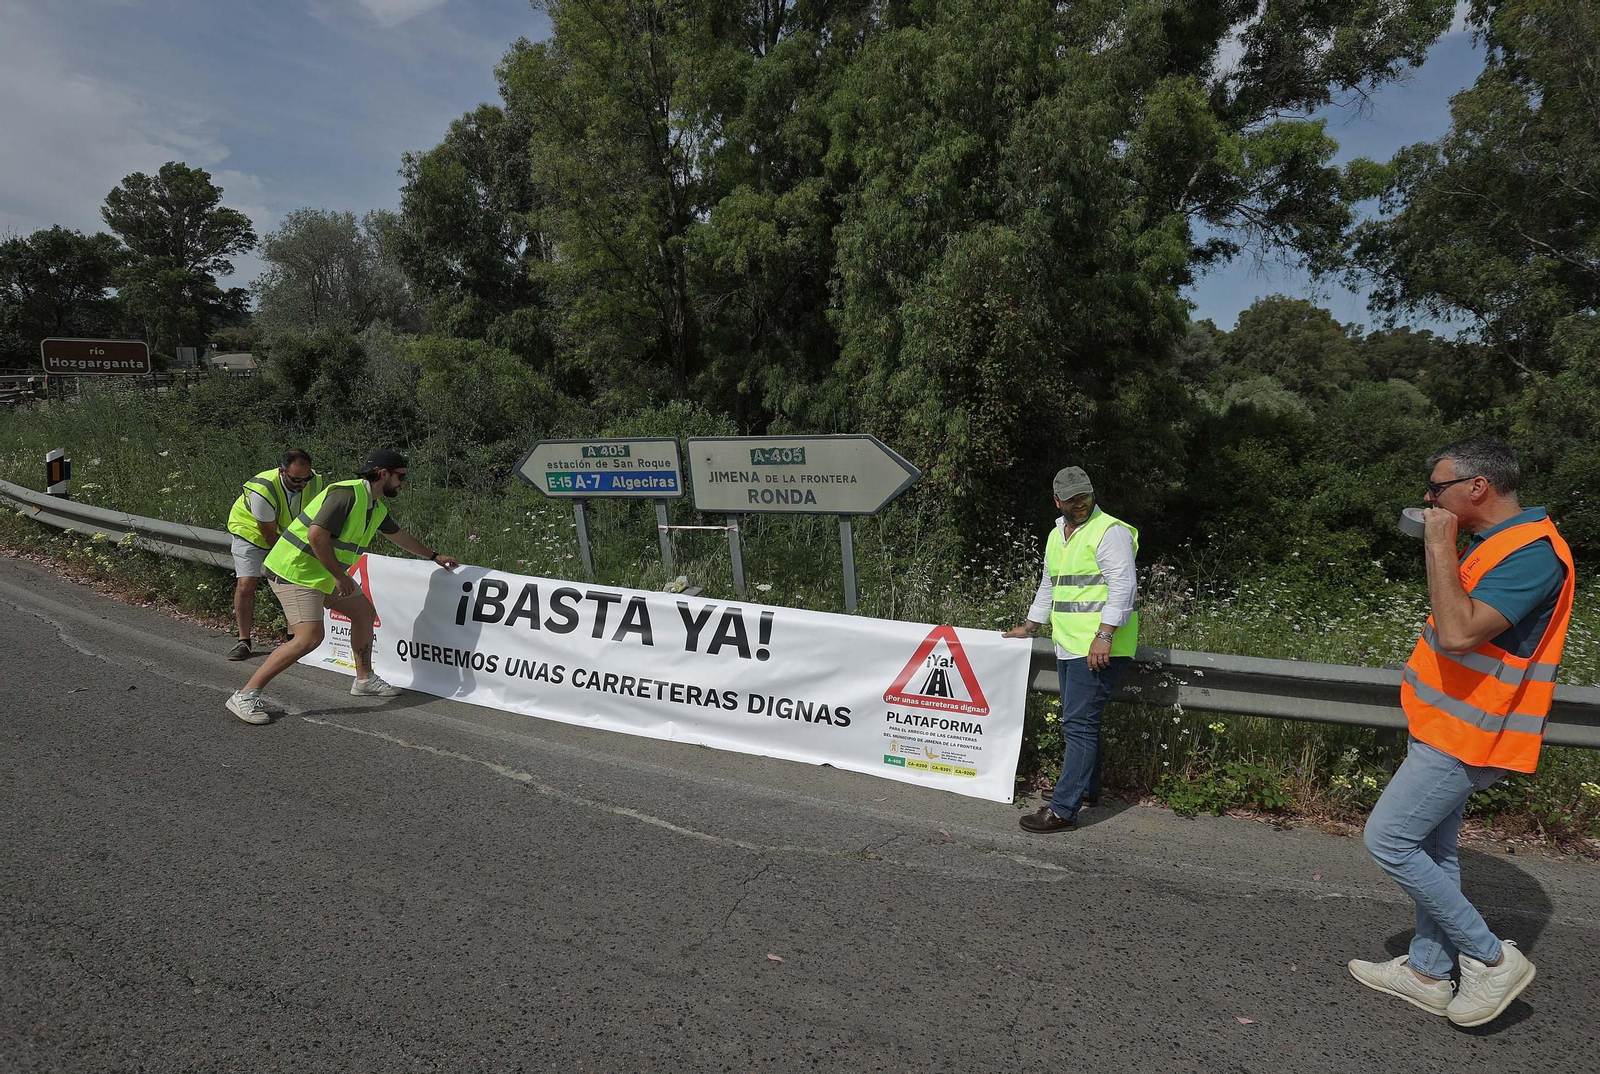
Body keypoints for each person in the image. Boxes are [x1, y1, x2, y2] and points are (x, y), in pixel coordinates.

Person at [1348, 436, 1574, 1028]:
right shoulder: (1496, 543)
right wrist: (1442, 544)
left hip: (1469, 733)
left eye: (1438, 487)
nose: (1428, 497)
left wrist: (1439, 543)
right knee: (1434, 849)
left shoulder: (1533, 554)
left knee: (1389, 839)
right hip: (1444, 719)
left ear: (1478, 487)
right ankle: (1427, 972)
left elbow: (1457, 633)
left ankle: (1490, 958)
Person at [225, 448, 459, 725]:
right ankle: (245, 695)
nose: (402, 483)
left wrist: (433, 556)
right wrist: (339, 575)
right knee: (309, 638)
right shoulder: (346, 494)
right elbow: (316, 534)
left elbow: (398, 536)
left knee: (363, 614)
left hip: (320, 575)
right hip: (296, 572)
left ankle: (364, 679)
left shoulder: (375, 506)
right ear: (383, 473)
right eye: (400, 476)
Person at [1003, 465, 1139, 833]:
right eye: (1072, 498)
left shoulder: (1110, 532)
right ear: (1057, 500)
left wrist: (1105, 634)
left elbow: (1123, 587)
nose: (1080, 503)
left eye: (1086, 496)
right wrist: (1031, 626)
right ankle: (1088, 791)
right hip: (1070, 645)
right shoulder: (1056, 535)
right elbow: (1051, 585)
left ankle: (1064, 809)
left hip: (1099, 647)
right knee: (1082, 724)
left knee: (1078, 725)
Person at [224, 448, 326, 660]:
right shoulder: (263, 489)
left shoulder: (315, 482)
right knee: (246, 583)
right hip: (251, 532)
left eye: (306, 478)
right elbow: (269, 536)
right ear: (282, 471)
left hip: (288, 533)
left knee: (294, 580)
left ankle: (292, 639)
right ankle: (244, 641)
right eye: (296, 479)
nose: (303, 484)